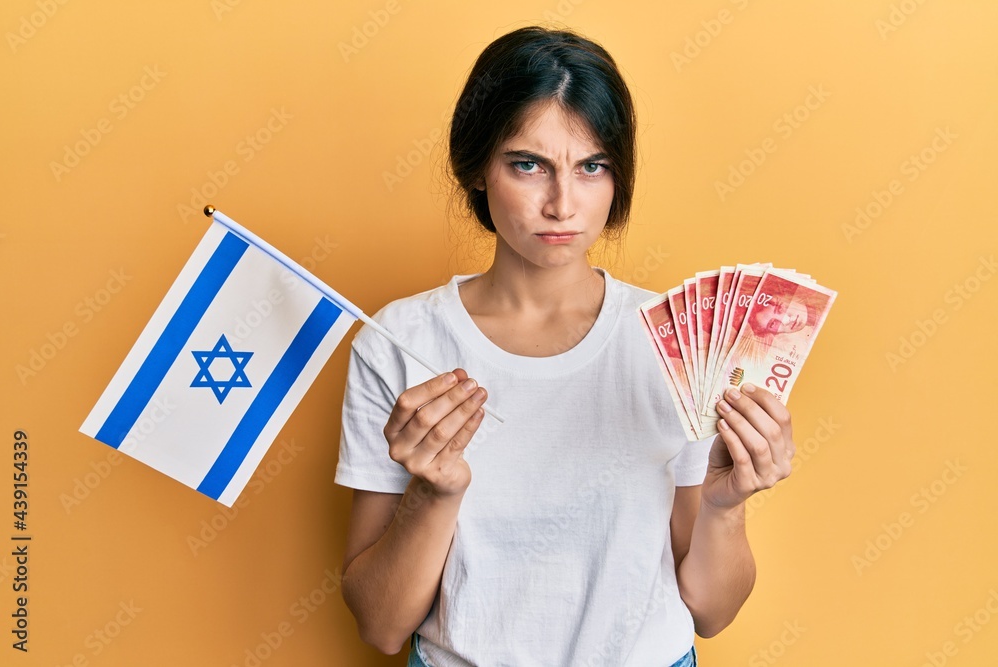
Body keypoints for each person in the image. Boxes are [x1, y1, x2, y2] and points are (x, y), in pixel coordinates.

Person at [335, 25, 795, 667]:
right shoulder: (400, 341)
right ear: (475, 170)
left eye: (592, 167)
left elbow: (712, 613)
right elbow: (381, 627)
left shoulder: (677, 338)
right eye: (529, 164)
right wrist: (433, 493)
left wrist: (725, 504)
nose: (562, 204)